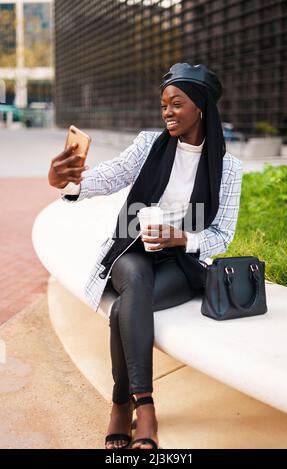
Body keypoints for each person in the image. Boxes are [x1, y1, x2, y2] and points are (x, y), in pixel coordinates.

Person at [48, 63, 243, 449]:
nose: (167, 111)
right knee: (134, 281)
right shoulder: (148, 144)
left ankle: (120, 405)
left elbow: (221, 235)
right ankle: (147, 407)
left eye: (177, 103)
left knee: (123, 310)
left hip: (180, 263)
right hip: (131, 249)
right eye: (163, 104)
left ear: (200, 107)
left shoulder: (227, 168)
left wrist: (181, 239)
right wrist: (70, 182)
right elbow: (110, 176)